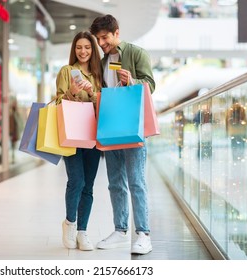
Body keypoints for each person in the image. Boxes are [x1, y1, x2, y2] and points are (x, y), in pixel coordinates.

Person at [90, 14, 155, 255]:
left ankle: (143, 234)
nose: (101, 43)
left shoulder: (137, 53)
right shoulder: (102, 60)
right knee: (115, 182)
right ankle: (120, 230)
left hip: (132, 126)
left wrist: (133, 80)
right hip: (110, 126)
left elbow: (151, 84)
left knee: (136, 181)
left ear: (116, 32)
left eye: (104, 38)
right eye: (98, 39)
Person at [56, 31, 102, 251]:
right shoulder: (66, 71)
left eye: (87, 47)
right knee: (77, 180)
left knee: (89, 186)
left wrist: (93, 93)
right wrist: (71, 93)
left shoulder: (97, 74)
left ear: (93, 50)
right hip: (72, 134)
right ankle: (70, 223)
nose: (83, 51)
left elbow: (104, 104)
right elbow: (57, 102)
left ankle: (83, 231)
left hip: (92, 133)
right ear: (74, 50)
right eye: (79, 47)